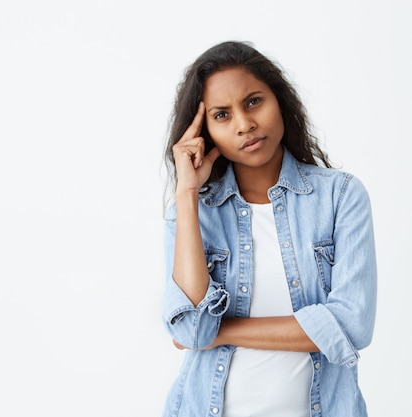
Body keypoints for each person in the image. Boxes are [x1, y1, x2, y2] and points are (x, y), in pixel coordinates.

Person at [160, 41, 377, 417]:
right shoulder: (192, 210)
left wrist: (220, 332)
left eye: (253, 101)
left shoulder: (340, 197)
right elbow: (192, 327)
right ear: (204, 130)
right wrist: (187, 192)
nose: (245, 124)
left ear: (279, 100)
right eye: (222, 115)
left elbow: (352, 324)